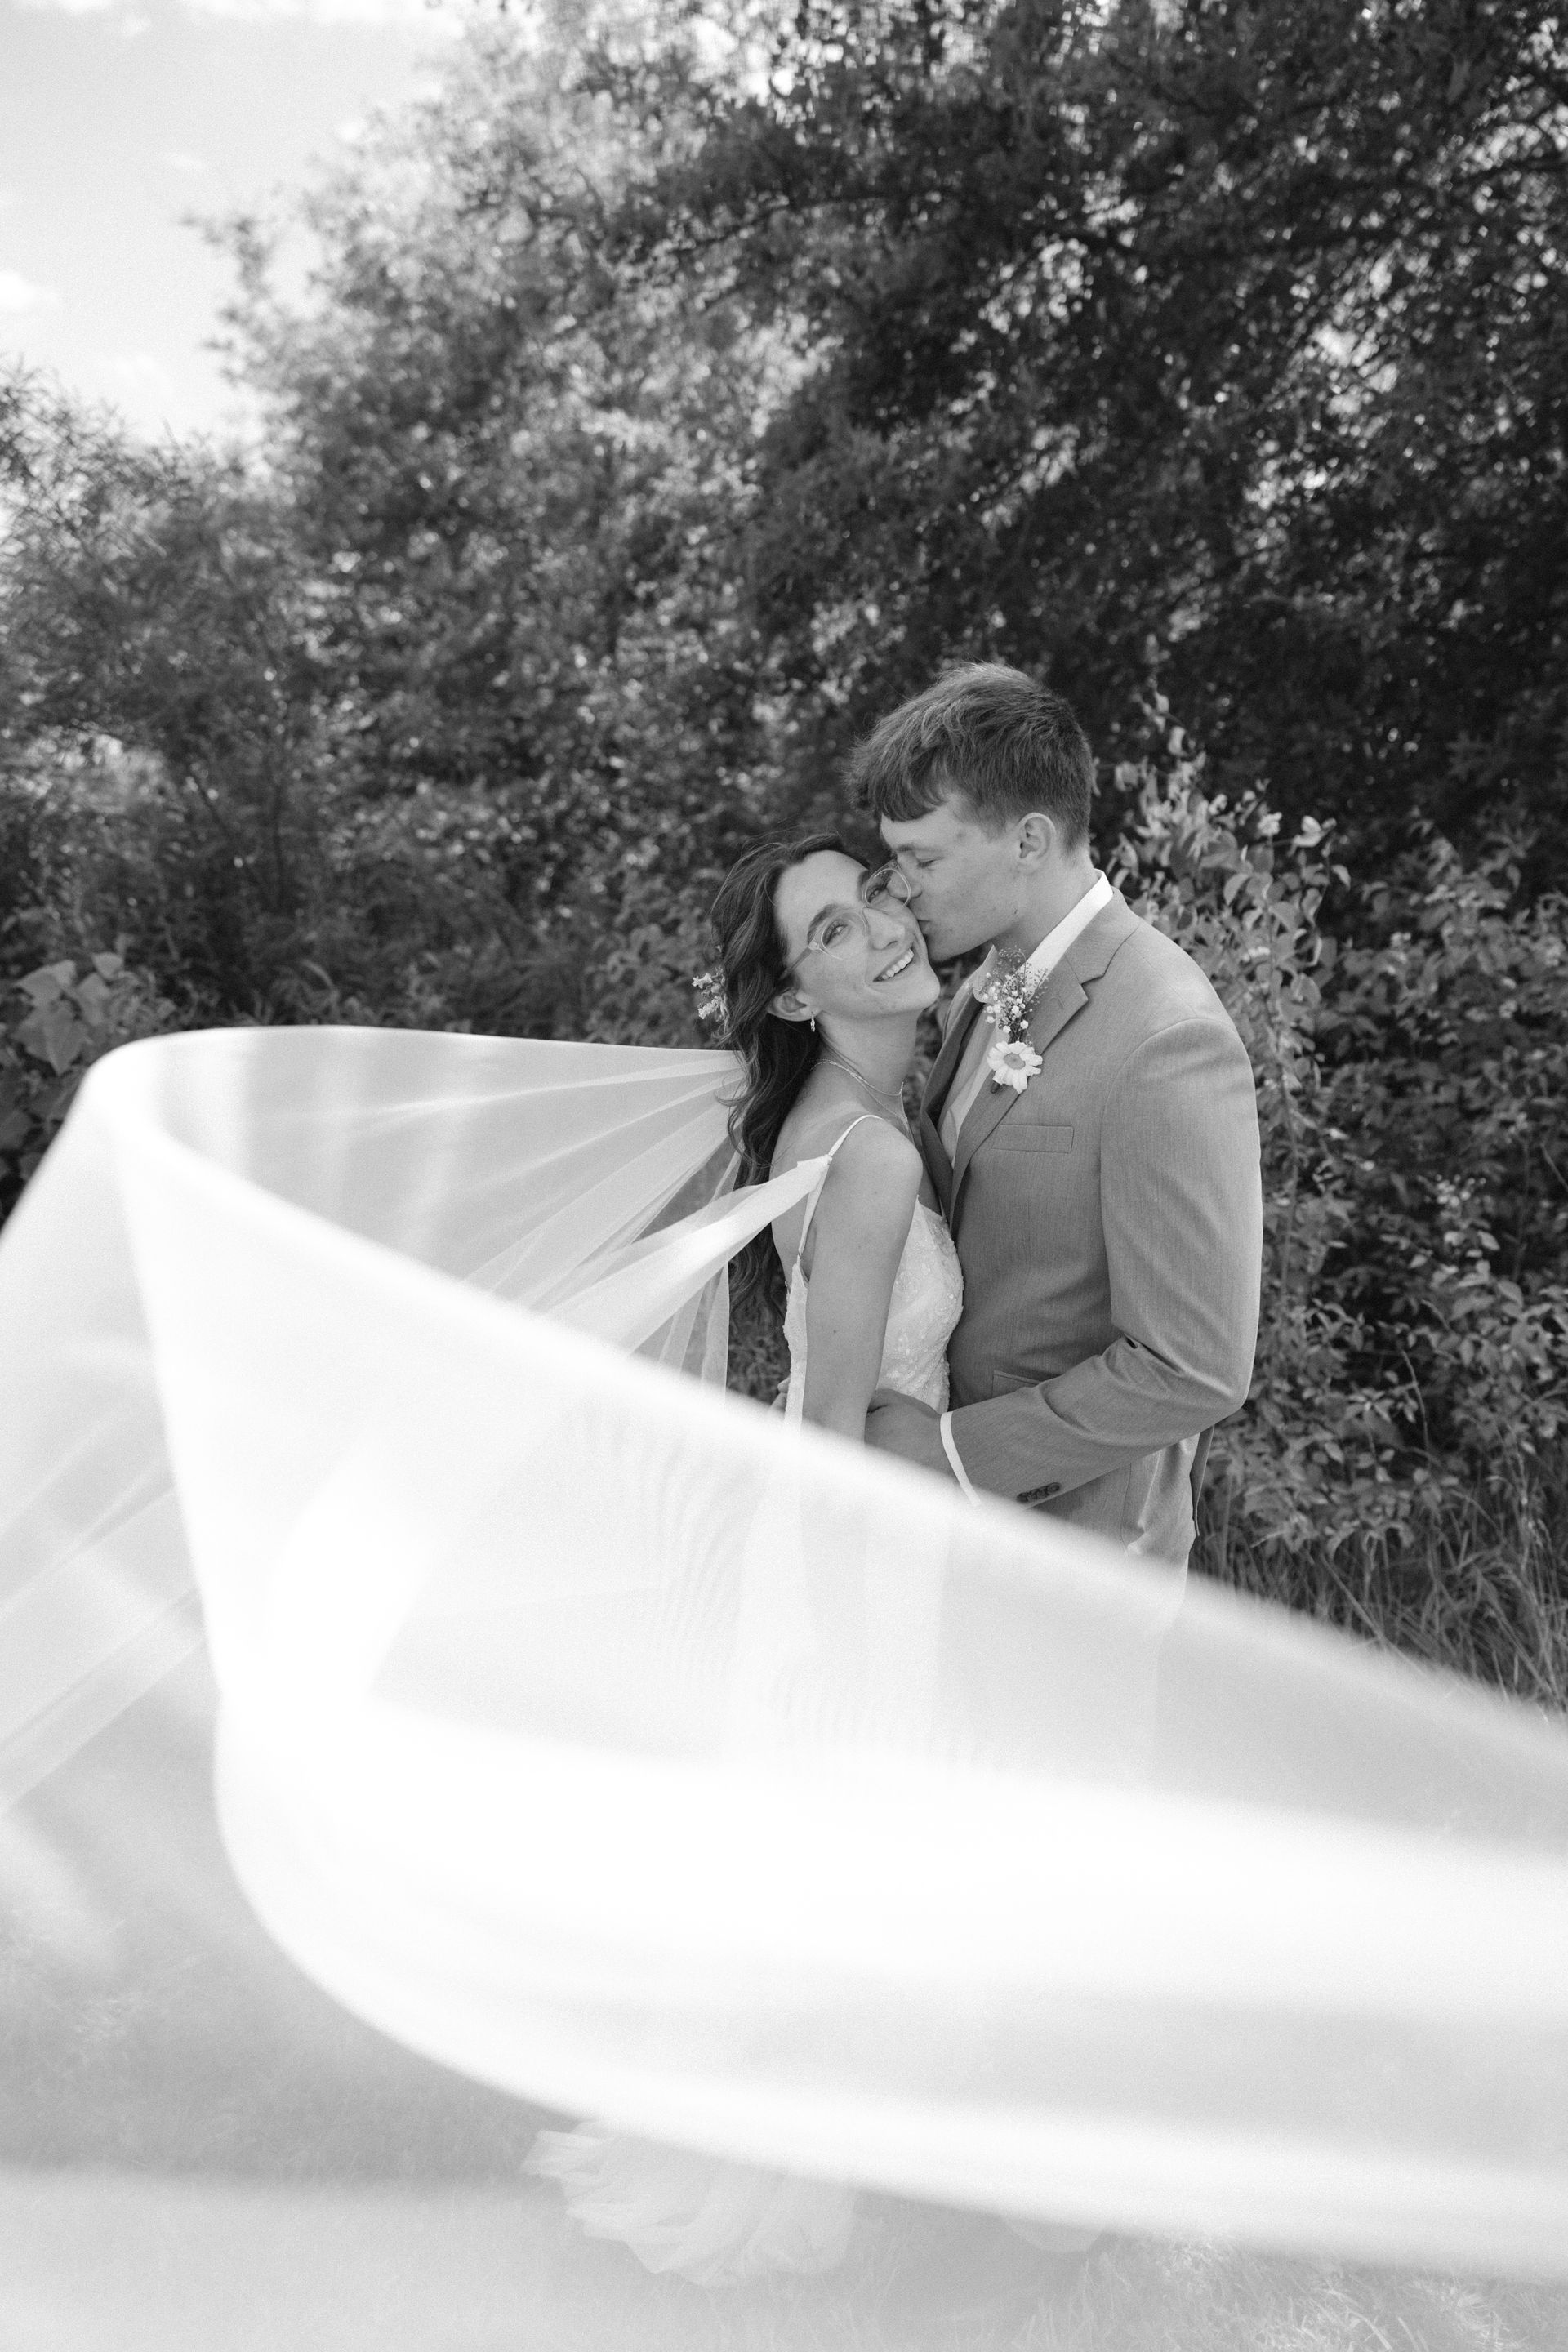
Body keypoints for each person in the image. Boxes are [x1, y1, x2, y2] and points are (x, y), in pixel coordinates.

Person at [854, 662, 1263, 1571]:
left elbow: (1194, 1365)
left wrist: (955, 1455)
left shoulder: (1168, 1034)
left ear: (1030, 840)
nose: (903, 887)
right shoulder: (984, 986)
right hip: (944, 1544)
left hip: (1078, 1558)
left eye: (925, 857)